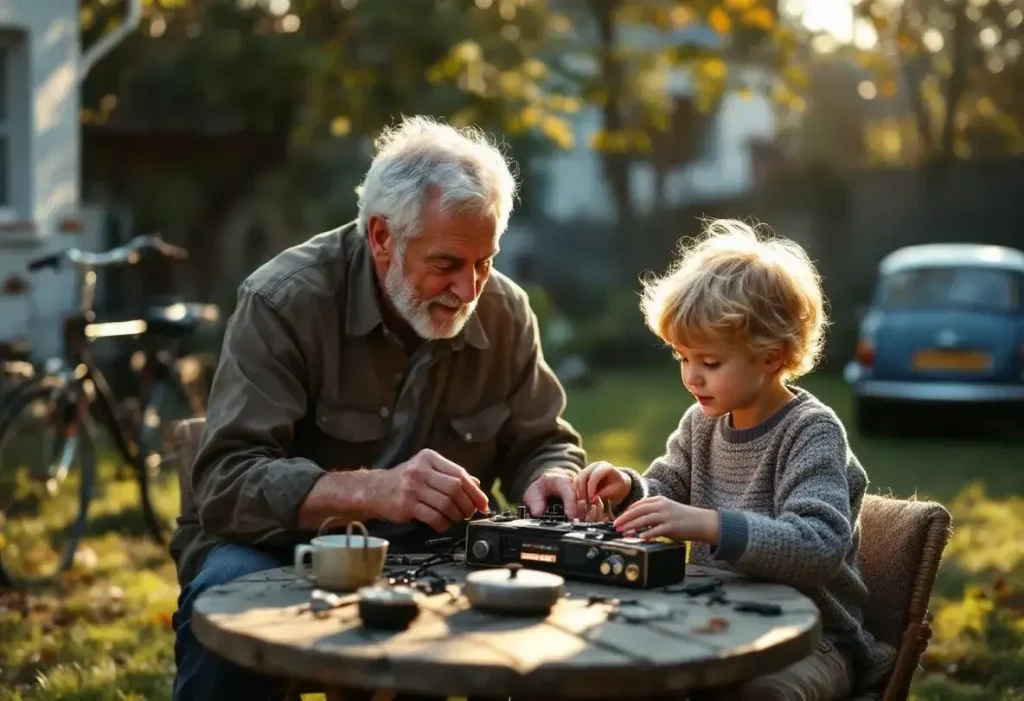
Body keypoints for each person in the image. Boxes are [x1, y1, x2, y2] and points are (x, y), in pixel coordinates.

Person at [170, 115, 586, 701]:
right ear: (382, 237)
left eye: (484, 261)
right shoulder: (285, 301)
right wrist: (375, 490)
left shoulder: (505, 310)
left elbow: (542, 438)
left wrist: (552, 477)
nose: (469, 289)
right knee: (226, 611)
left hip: (434, 554)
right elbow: (226, 482)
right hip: (275, 547)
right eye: (446, 264)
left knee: (551, 630)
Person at [574, 220, 896, 701]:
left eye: (709, 362)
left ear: (771, 357)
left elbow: (818, 545)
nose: (691, 378)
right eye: (682, 358)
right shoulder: (701, 423)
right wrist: (627, 489)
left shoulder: (811, 431)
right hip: (711, 622)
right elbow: (665, 489)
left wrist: (709, 525)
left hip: (810, 641)